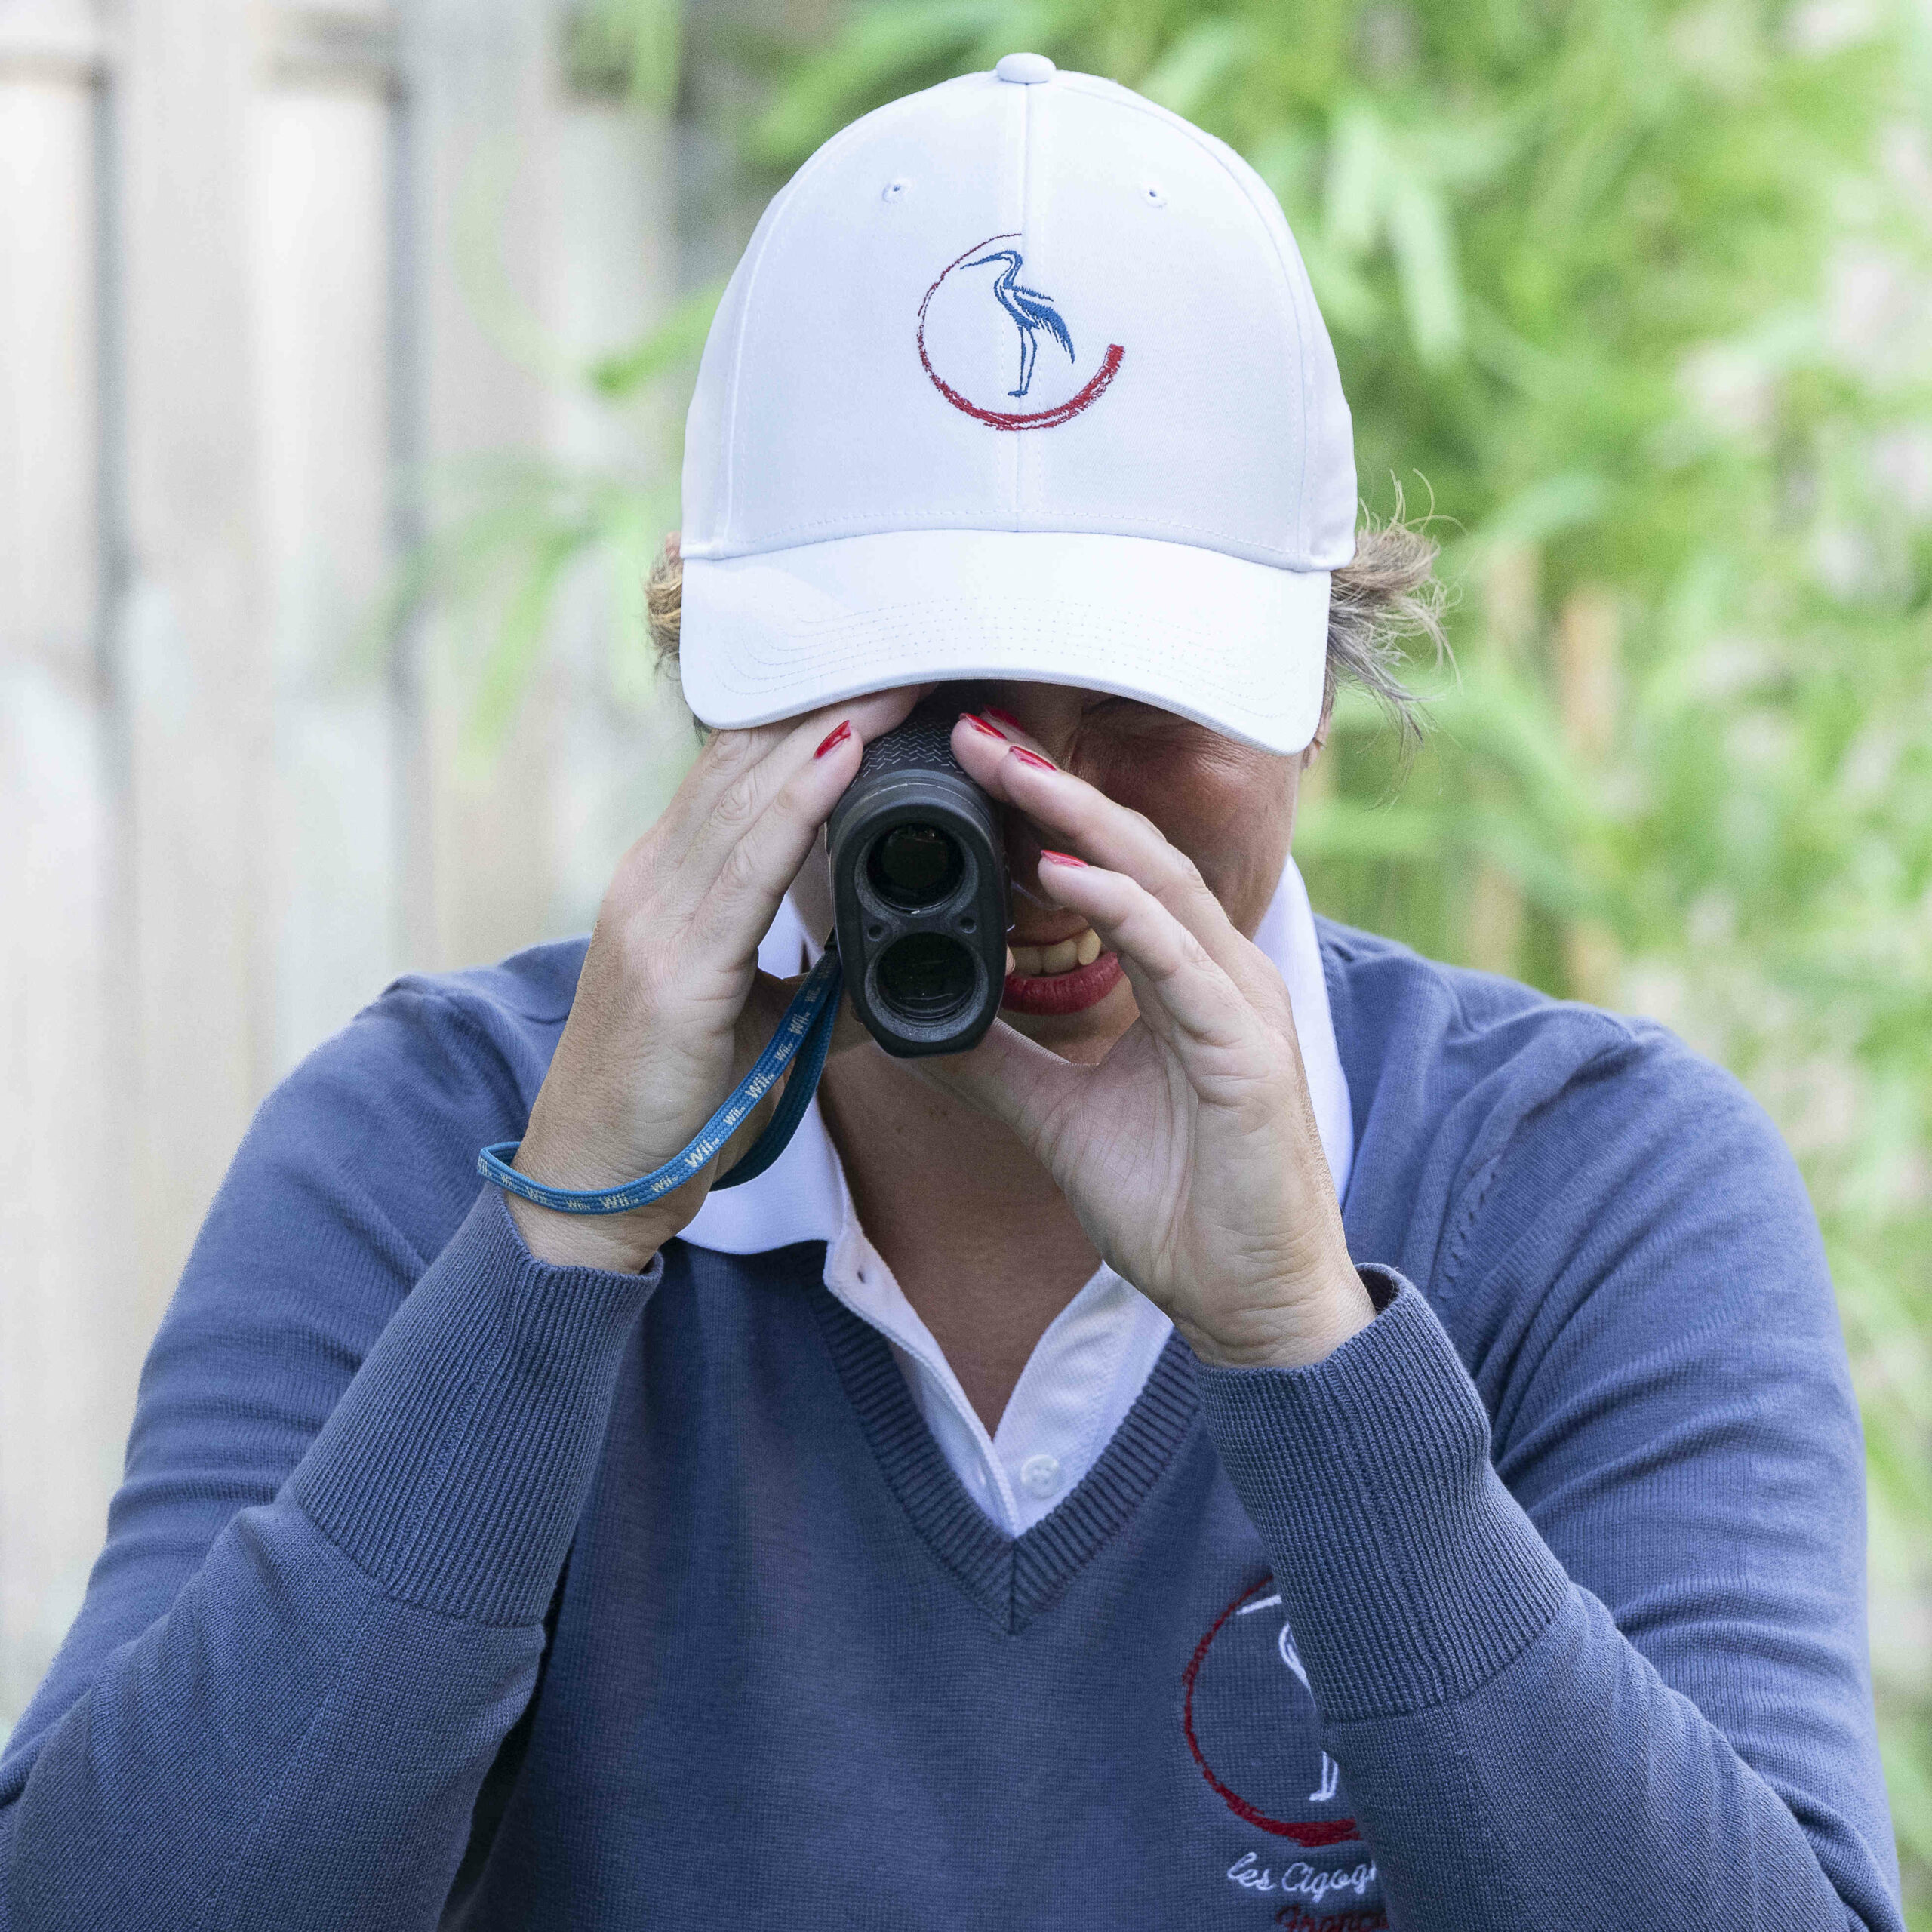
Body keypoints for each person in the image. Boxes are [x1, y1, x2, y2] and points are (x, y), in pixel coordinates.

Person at [0, 55, 1905, 1932]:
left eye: (1143, 718)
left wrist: (1303, 1350)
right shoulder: (436, 1139)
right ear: (726, 692)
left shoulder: (1589, 1189)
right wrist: (566, 1233)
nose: (1039, 823)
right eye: (930, 716)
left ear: (1312, 684)